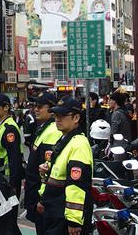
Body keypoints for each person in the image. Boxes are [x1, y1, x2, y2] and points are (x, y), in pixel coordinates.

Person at [38, 97, 93, 235]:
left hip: (64, 217)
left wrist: (74, 222)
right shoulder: (64, 139)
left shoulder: (79, 144)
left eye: (62, 116)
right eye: (56, 115)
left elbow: (77, 185)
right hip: (55, 211)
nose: (57, 119)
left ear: (76, 118)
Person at [24, 92, 61, 234]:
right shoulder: (44, 128)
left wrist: (43, 199)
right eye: (35, 106)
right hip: (37, 195)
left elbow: (49, 171)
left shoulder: (53, 131)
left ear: (51, 109)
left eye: (40, 106)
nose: (36, 109)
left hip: (43, 199)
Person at [0, 93, 24, 197]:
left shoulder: (10, 128)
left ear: (6, 107)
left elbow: (14, 157)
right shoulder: (1, 125)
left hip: (8, 178)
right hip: (0, 175)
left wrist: (13, 183)